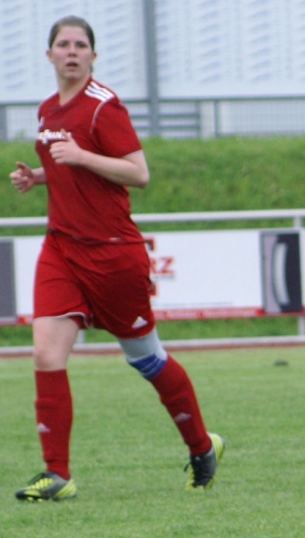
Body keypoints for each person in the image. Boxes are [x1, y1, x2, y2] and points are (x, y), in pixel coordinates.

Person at [9, 16, 224, 501]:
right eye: (62, 44)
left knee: (146, 358)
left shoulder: (103, 108)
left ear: (93, 55)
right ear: (48, 55)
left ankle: (201, 446)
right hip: (61, 250)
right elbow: (66, 168)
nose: (71, 51)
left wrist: (83, 157)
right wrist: (37, 179)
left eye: (80, 45)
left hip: (112, 256)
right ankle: (57, 474)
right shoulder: (47, 110)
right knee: (45, 352)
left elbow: (137, 172)